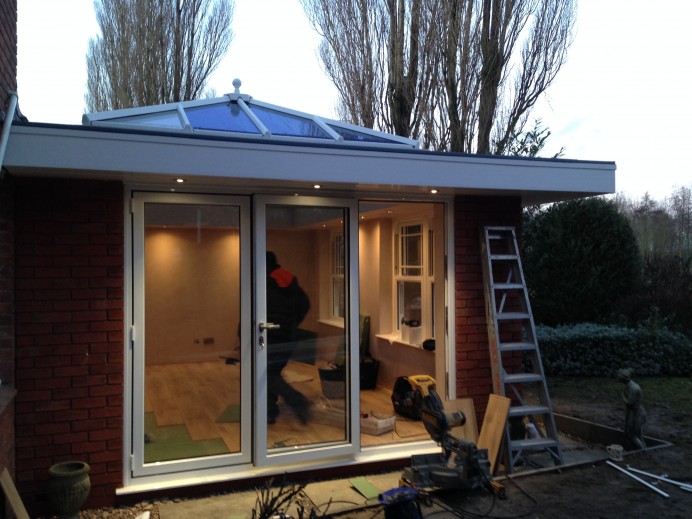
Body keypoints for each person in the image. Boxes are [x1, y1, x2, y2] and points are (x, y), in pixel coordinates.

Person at [265, 251, 312, 424]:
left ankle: (297, 401)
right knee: (271, 373)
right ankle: (269, 412)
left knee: (266, 374)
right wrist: (292, 324)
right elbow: (305, 304)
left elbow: (254, 310)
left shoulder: (265, 282)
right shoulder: (289, 279)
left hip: (270, 337)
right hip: (288, 337)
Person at [617, 368, 647, 449]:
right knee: (636, 433)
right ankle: (643, 449)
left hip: (637, 413)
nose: (618, 378)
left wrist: (622, 395)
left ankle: (642, 450)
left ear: (625, 378)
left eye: (620, 377)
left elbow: (630, 403)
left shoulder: (633, 388)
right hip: (633, 412)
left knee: (633, 434)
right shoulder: (628, 386)